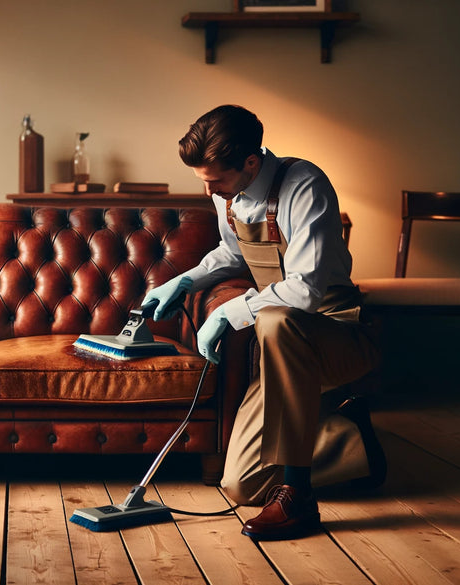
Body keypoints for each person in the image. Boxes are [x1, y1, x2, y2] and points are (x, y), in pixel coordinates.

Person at [143, 104, 385, 541]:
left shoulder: (305, 185)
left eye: (214, 179)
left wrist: (228, 313)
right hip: (284, 354)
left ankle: (299, 497)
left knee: (274, 320)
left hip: (339, 334)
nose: (209, 191)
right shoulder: (228, 196)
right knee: (242, 485)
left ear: (251, 162)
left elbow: (306, 291)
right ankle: (354, 440)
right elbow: (232, 254)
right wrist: (181, 283)